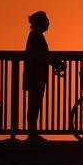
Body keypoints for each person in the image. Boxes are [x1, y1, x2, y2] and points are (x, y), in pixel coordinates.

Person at [23, 10, 63, 142]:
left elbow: (43, 55)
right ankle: (32, 133)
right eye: (46, 21)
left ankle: (32, 132)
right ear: (40, 23)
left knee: (34, 103)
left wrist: (54, 62)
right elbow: (43, 55)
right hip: (36, 75)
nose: (49, 23)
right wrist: (56, 63)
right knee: (34, 103)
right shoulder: (36, 36)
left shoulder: (35, 35)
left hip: (35, 74)